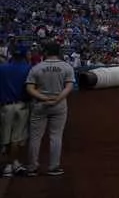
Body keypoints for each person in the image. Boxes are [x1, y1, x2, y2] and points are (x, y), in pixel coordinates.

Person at [24, 42, 75, 177]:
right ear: (58, 52)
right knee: (56, 136)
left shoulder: (36, 68)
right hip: (59, 104)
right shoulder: (66, 67)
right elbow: (69, 87)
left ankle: (32, 167)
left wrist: (44, 98)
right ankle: (53, 167)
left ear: (45, 52)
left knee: (35, 137)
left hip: (40, 104)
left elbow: (29, 88)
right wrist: (58, 99)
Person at [0, 46, 31, 177]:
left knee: (5, 137)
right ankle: (14, 163)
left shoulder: (2, 68)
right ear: (24, 56)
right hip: (21, 105)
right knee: (17, 138)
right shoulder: (28, 69)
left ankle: (8, 165)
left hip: (5, 106)